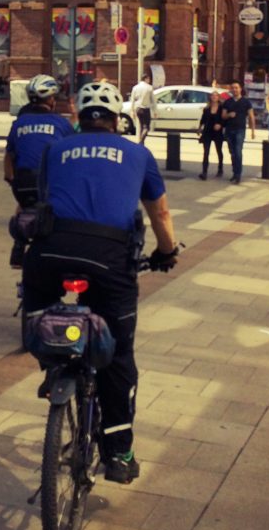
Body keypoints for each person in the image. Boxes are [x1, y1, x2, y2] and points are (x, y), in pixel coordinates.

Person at [22, 81, 179, 485]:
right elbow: (159, 213)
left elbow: (42, 200)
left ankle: (54, 362)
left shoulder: (55, 150)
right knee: (119, 356)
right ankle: (118, 453)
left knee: (37, 310)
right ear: (116, 119)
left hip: (50, 252)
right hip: (110, 260)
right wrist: (167, 253)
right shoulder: (138, 153)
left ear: (79, 117)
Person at [3, 74, 75, 266]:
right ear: (51, 100)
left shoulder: (19, 123)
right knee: (60, 211)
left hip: (23, 181)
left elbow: (9, 155)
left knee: (24, 206)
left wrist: (10, 178)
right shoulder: (60, 123)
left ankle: (18, 248)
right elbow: (73, 148)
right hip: (50, 180)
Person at [220, 81, 256, 184]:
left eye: (236, 88)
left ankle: (238, 175)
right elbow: (223, 116)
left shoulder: (246, 102)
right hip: (229, 130)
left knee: (238, 152)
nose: (234, 90)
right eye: (233, 88)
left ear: (240, 89)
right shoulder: (228, 102)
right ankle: (235, 173)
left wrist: (253, 131)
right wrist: (229, 115)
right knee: (232, 153)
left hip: (240, 130)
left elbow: (251, 116)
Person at [196, 90, 226, 180]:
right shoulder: (207, 109)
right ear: (210, 97)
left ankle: (220, 169)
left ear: (218, 98)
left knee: (219, 151)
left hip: (217, 132)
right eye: (212, 95)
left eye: (216, 96)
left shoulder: (221, 108)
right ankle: (204, 172)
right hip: (207, 131)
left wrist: (220, 125)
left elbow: (224, 119)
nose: (214, 97)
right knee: (206, 152)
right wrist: (199, 128)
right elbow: (203, 119)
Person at [129, 70, 155, 144]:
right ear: (146, 79)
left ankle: (141, 142)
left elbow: (132, 99)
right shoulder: (149, 88)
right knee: (146, 127)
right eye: (149, 79)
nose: (149, 81)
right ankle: (141, 141)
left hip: (138, 109)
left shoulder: (135, 87)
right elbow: (153, 100)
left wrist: (132, 110)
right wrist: (155, 111)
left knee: (140, 125)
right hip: (145, 109)